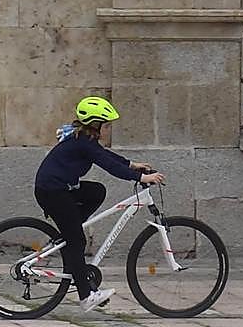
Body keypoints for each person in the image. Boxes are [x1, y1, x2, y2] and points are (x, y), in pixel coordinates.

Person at [34, 96, 164, 311]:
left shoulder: (85, 140)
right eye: (106, 125)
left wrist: (132, 165)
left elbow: (106, 156)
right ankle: (86, 297)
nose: (108, 129)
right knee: (77, 242)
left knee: (96, 191)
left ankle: (70, 229)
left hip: (60, 188)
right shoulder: (83, 143)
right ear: (95, 124)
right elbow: (108, 165)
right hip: (52, 192)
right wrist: (141, 178)